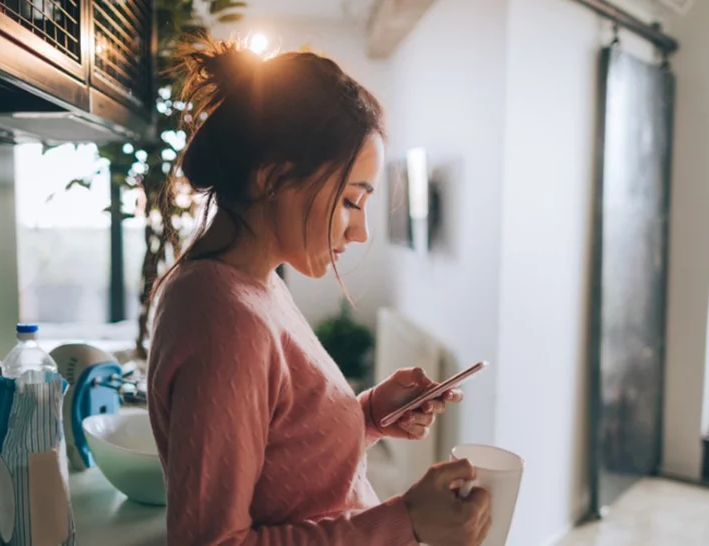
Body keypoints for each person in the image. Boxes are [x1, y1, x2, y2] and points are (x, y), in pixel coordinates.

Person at [146, 35, 492, 546]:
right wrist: (406, 520)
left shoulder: (256, 286)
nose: (361, 232)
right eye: (352, 201)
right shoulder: (223, 322)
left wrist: (371, 414)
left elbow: (283, 464)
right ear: (273, 178)